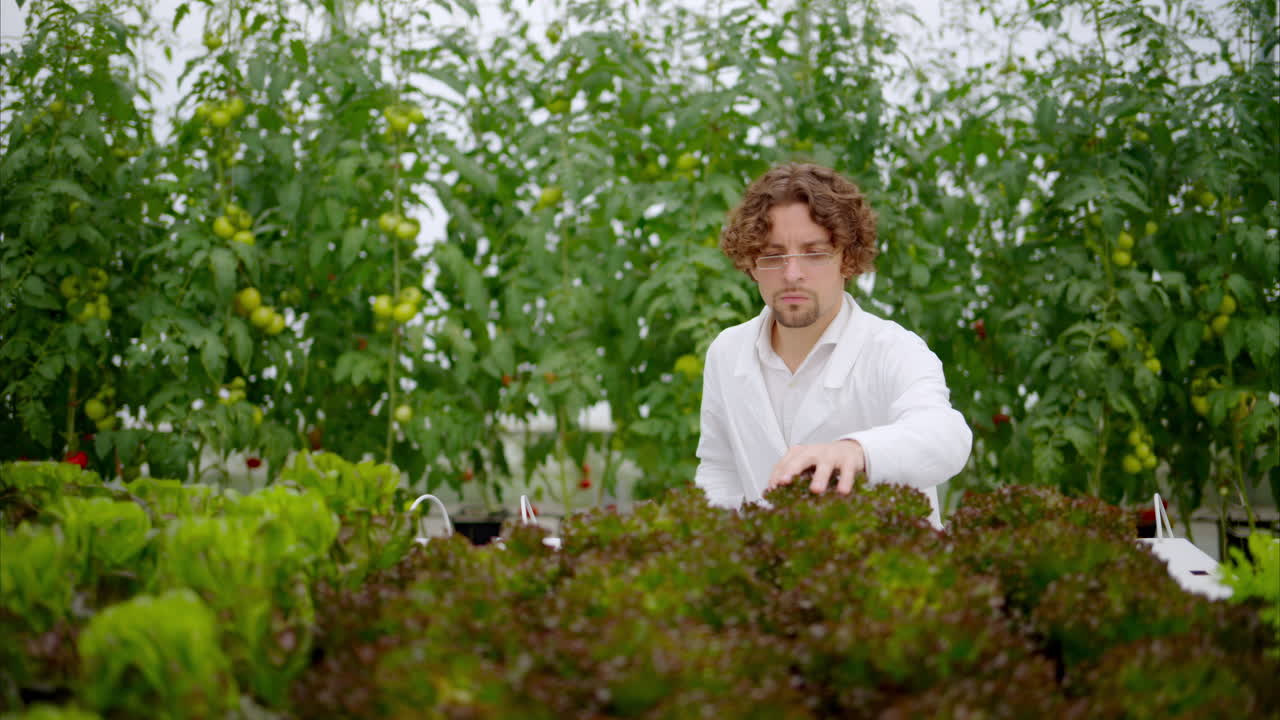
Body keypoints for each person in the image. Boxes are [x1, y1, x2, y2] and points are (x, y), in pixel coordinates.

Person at [694, 163, 971, 529]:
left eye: (814, 252)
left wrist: (856, 451)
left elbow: (945, 438)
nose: (792, 274)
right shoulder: (727, 353)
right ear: (752, 263)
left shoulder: (895, 349)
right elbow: (720, 470)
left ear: (848, 257)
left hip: (887, 576)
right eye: (774, 255)